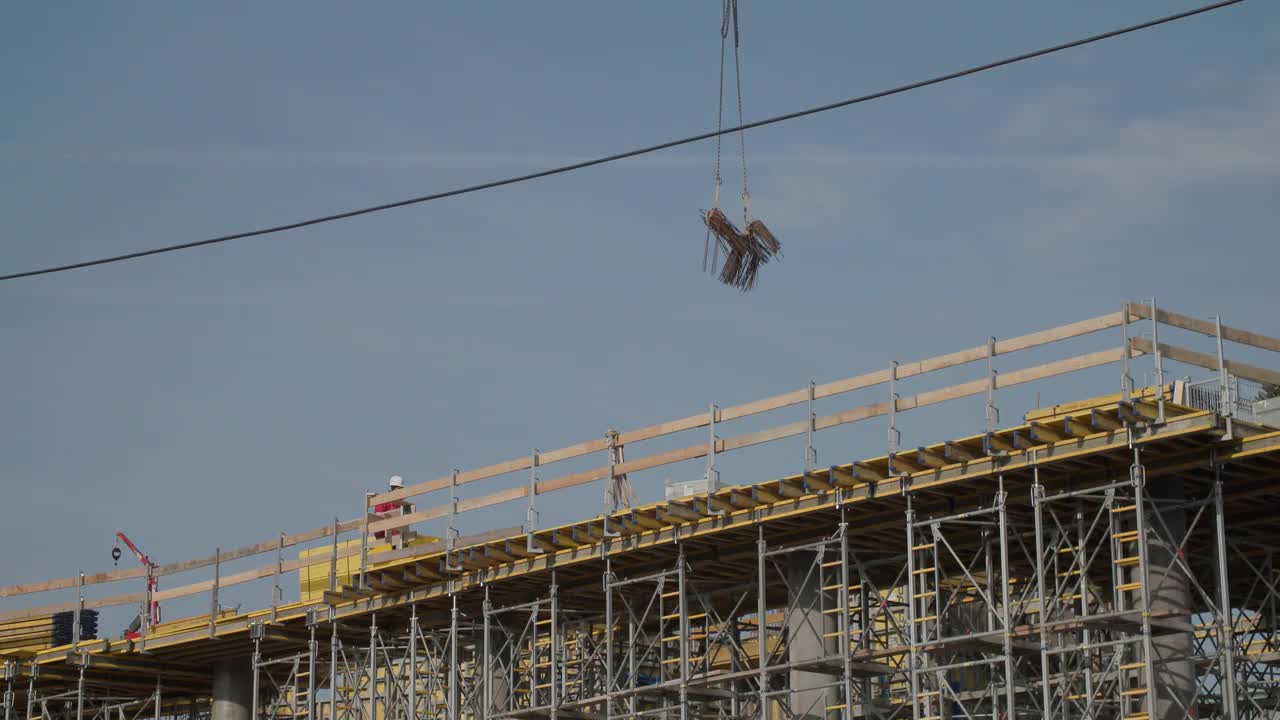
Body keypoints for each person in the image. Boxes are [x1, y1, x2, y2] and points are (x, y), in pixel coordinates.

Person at [372, 475, 414, 549]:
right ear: (395, 488)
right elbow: (378, 517)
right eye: (400, 489)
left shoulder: (401, 503)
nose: (402, 492)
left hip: (399, 537)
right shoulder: (383, 500)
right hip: (384, 537)